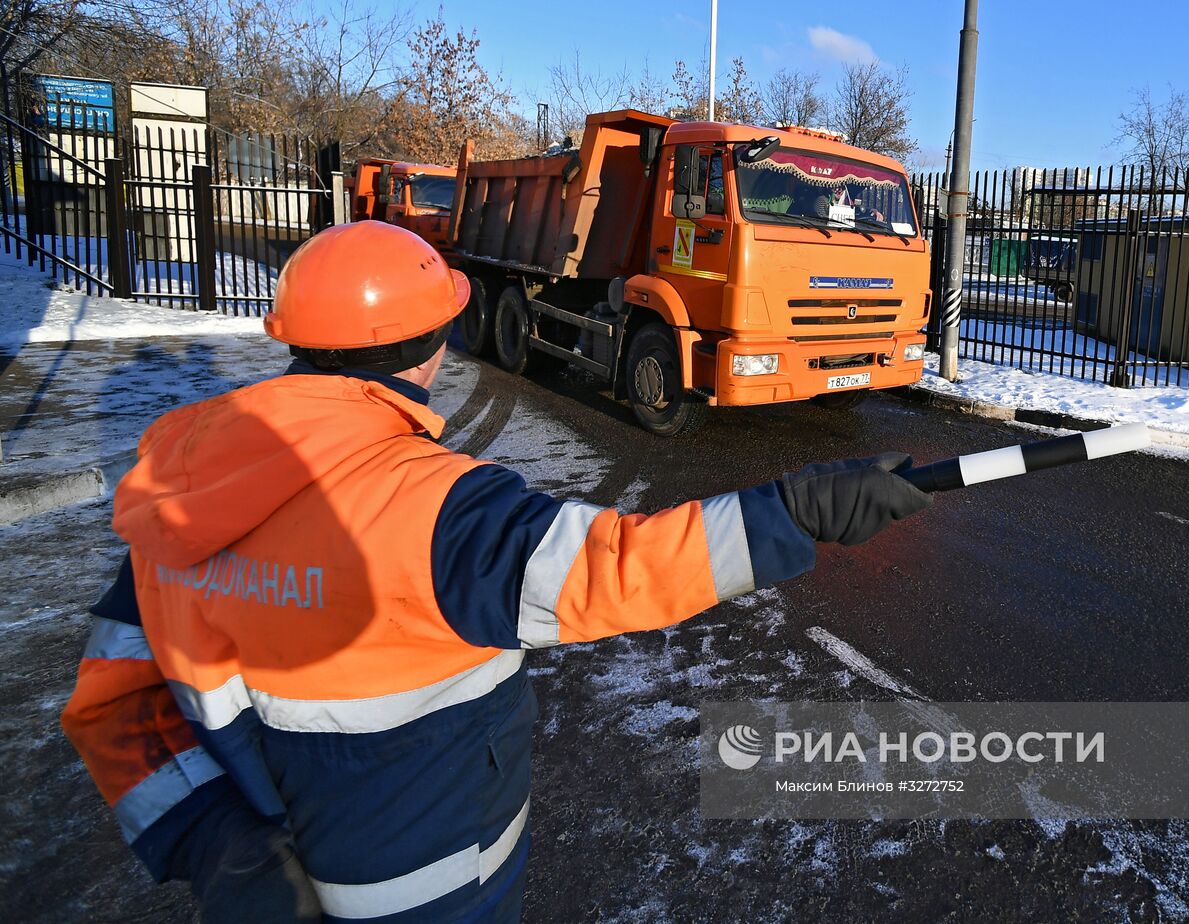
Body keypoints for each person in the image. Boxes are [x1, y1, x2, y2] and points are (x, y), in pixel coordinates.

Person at [60, 220, 933, 922]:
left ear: (293, 341)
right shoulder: (437, 508)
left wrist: (217, 844)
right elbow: (616, 570)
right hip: (437, 896)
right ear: (435, 345)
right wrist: (794, 512)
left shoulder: (175, 501)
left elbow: (115, 708)